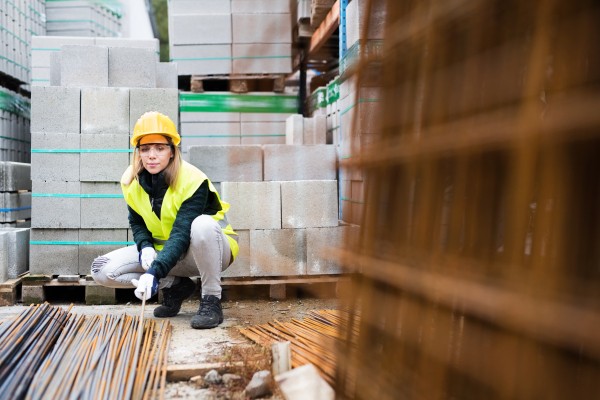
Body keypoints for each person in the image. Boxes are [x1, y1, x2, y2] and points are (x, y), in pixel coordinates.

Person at [91, 111, 239, 329]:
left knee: (202, 225)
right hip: (164, 251)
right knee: (101, 270)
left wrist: (154, 272)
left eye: (159, 148)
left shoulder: (192, 180)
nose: (152, 155)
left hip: (207, 250)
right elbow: (137, 222)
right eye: (145, 149)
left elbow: (181, 234)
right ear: (138, 152)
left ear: (172, 151)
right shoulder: (131, 182)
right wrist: (146, 247)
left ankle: (211, 300)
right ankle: (176, 285)